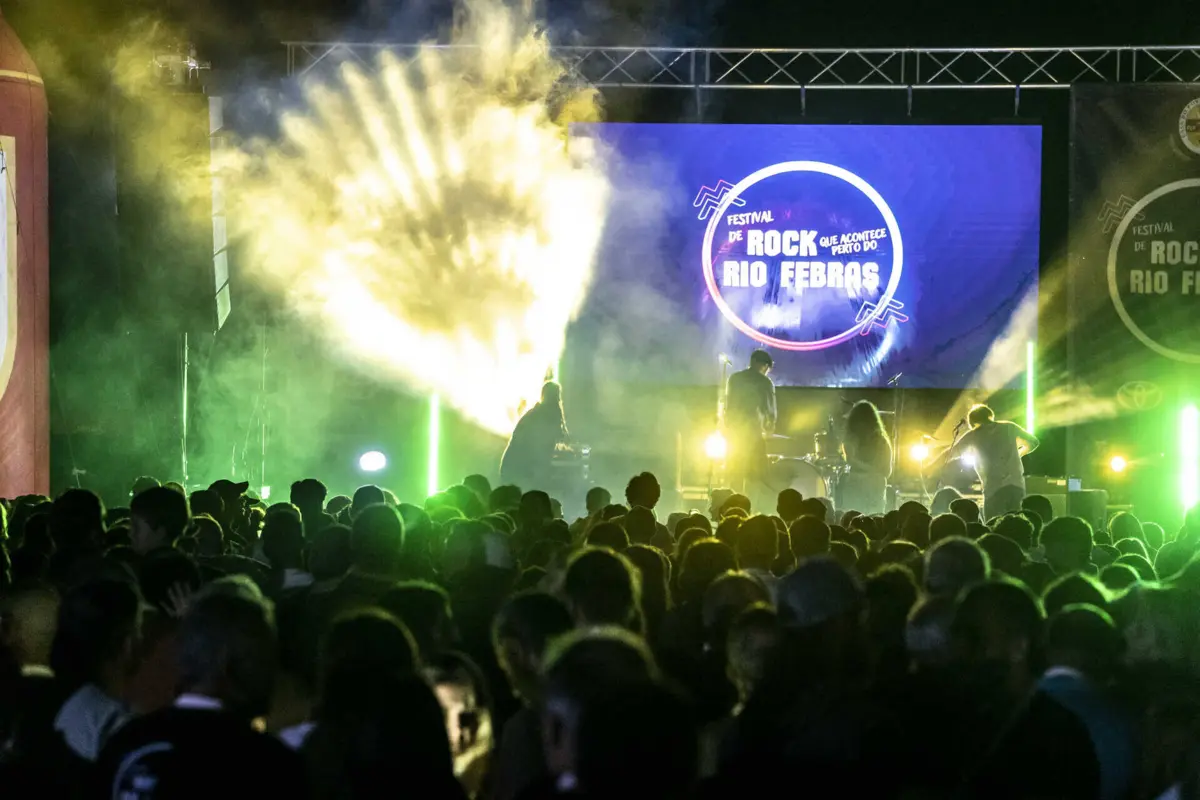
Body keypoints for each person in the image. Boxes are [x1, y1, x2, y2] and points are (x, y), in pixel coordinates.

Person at [944, 404, 1039, 520]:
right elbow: (1034, 442)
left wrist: (931, 465)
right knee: (1016, 525)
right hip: (1016, 487)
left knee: (993, 526)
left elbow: (951, 454)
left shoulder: (974, 434)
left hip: (994, 490)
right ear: (990, 416)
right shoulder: (1009, 427)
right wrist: (1018, 455)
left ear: (973, 423)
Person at [724, 350, 777, 501]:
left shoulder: (734, 379)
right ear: (763, 365)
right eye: (767, 369)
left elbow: (728, 406)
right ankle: (752, 506)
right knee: (755, 475)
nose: (766, 372)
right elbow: (770, 411)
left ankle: (733, 505)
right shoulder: (764, 382)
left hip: (733, 436)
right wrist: (769, 429)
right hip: (753, 435)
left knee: (734, 473)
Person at [500, 382, 570, 492]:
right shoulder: (540, 417)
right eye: (556, 396)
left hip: (517, 470)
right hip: (519, 472)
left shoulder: (539, 414)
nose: (558, 400)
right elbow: (539, 451)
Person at [838, 400, 893, 515]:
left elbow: (851, 460)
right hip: (876, 484)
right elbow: (887, 471)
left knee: (852, 520)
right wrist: (874, 471)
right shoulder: (882, 441)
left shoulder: (851, 438)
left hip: (856, 483)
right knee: (875, 520)